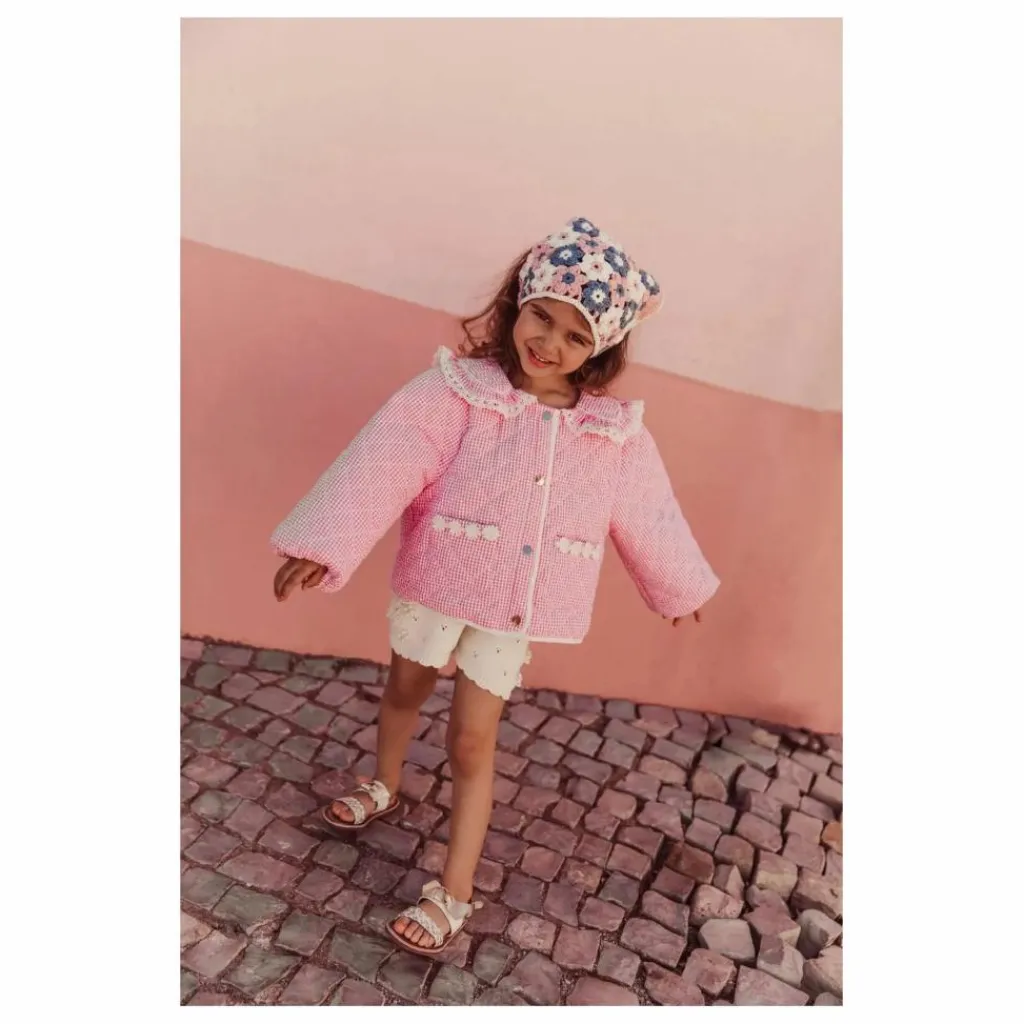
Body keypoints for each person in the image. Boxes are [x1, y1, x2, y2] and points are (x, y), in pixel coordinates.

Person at [270, 217, 720, 955]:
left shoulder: (612, 435)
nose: (549, 343)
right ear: (518, 303)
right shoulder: (455, 393)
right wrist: (324, 544)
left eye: (575, 336)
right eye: (541, 316)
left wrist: (679, 584)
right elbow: (385, 459)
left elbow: (647, 510)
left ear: (601, 347)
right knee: (405, 689)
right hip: (438, 582)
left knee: (473, 740)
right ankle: (384, 783)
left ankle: (454, 891)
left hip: (514, 608)